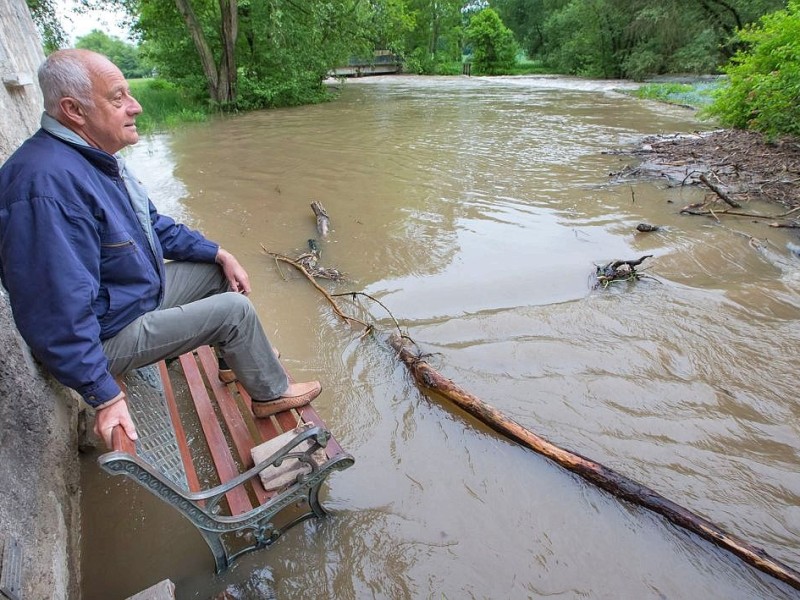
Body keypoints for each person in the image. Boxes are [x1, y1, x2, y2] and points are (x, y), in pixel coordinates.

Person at [0, 49, 321, 448]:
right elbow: (54, 314)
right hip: (102, 338)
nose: (135, 106)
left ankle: (232, 365)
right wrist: (104, 393)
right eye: (118, 98)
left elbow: (152, 226)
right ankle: (270, 394)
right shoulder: (45, 188)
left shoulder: (91, 159)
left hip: (121, 301)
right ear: (74, 110)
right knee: (234, 312)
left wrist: (217, 252)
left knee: (213, 272)